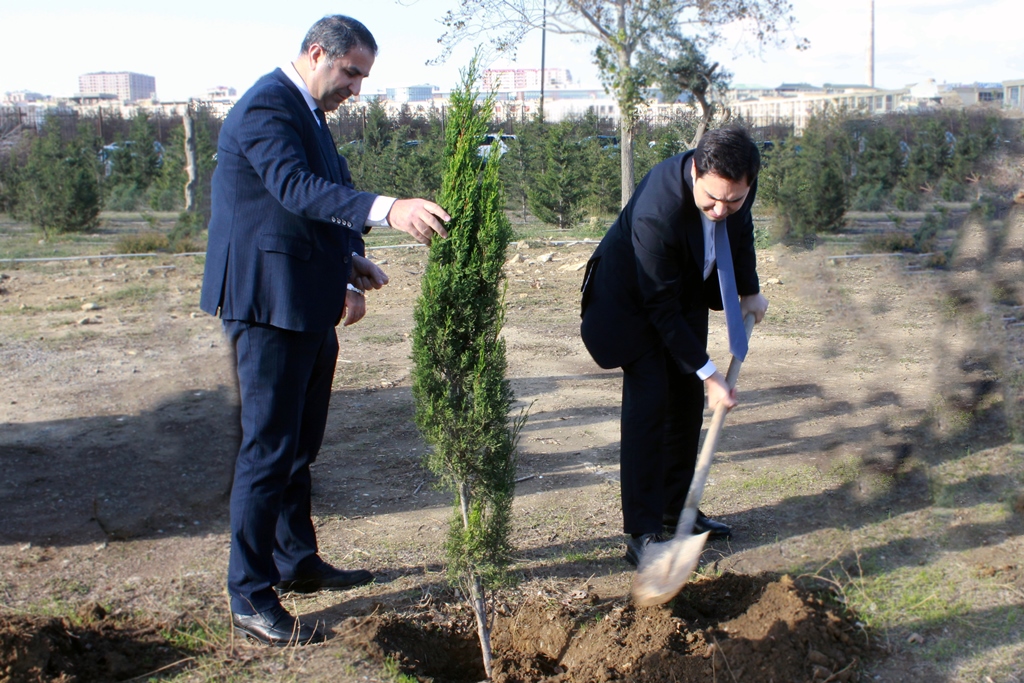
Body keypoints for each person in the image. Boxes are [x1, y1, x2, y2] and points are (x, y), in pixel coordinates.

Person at [200, 15, 449, 646]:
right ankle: (250, 595)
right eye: (351, 73)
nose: (357, 89)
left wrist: (346, 264)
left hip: (307, 302)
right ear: (317, 54)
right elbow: (294, 189)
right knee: (267, 450)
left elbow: (320, 199)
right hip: (267, 307)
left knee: (299, 445)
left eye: (363, 76)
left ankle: (294, 560)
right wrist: (389, 209)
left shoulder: (309, 114)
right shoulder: (267, 107)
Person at [579, 125, 769, 567]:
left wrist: (749, 289)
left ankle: (677, 508)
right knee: (651, 405)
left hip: (681, 292)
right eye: (712, 200)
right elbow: (657, 304)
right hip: (631, 304)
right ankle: (643, 532)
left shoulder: (737, 188)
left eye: (733, 199)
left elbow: (740, 234)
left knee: (685, 403)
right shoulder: (657, 209)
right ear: (696, 170)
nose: (722, 209)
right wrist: (710, 373)